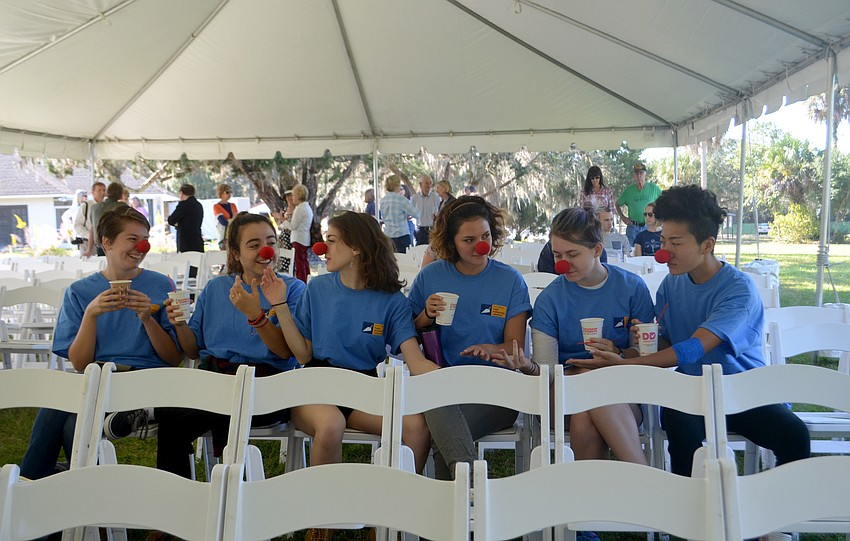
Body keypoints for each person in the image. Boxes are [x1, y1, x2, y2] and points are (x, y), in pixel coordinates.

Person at [571, 185, 810, 477]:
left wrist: (627, 364)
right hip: (691, 394)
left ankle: (780, 515)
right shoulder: (671, 285)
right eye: (662, 240)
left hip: (744, 394)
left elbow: (693, 348)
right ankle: (684, 514)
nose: (663, 251)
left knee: (795, 435)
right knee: (680, 429)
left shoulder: (739, 290)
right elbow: (669, 341)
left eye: (676, 243)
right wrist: (633, 345)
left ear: (706, 245)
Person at [269, 211, 435, 540]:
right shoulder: (316, 289)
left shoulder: (391, 301)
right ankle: (323, 522)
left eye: (331, 241)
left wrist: (460, 381)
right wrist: (279, 305)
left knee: (416, 426)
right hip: (316, 384)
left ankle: (387, 518)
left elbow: (414, 359)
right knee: (331, 425)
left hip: (362, 388)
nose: (322, 248)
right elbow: (302, 354)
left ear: (356, 247)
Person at [20, 206, 181, 480]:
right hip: (95, 379)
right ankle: (78, 500)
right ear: (107, 242)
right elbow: (80, 363)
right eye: (132, 239)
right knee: (61, 411)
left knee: (72, 420)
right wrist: (91, 314)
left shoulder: (160, 285)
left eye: (144, 238)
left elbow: (173, 359)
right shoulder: (80, 292)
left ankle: (31, 489)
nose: (141, 246)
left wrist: (147, 319)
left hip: (146, 382)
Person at [159, 212, 306, 479]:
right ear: (236, 253)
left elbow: (286, 352)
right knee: (172, 417)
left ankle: (233, 491)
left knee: (224, 405)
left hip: (268, 385)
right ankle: (177, 499)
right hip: (216, 379)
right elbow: (193, 350)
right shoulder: (216, 289)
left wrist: (256, 315)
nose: (266, 250)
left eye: (271, 241)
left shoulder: (292, 289)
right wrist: (179, 324)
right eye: (253, 244)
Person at [408, 195, 532, 481]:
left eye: (486, 236)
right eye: (469, 240)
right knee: (441, 411)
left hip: (498, 392)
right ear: (451, 242)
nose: (481, 246)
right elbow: (408, 335)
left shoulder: (510, 280)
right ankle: (471, 498)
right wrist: (426, 314)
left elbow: (516, 349)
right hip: (442, 383)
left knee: (443, 429)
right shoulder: (431, 276)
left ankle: (454, 508)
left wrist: (493, 349)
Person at [526, 206, 652, 465]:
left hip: (621, 392)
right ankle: (644, 478)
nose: (563, 263)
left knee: (587, 414)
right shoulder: (550, 299)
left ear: (597, 250)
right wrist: (581, 372)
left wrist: (617, 354)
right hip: (560, 396)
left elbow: (643, 357)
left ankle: (590, 500)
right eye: (557, 254)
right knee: (590, 383)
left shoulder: (631, 288)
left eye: (573, 254)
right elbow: (547, 371)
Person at [615, 162, 662, 245]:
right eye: (636, 173)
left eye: (641, 173)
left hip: (649, 226)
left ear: (645, 174)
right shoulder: (628, 191)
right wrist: (623, 218)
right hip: (633, 227)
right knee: (631, 252)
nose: (639, 176)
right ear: (634, 176)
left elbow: (664, 201)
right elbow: (617, 204)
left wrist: (659, 219)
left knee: (648, 251)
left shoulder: (654, 188)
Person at [279, 184, 313, 283]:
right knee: (303, 262)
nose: (292, 197)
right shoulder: (306, 207)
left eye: (293, 195)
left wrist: (283, 220)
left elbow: (292, 226)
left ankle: (301, 282)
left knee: (300, 264)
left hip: (298, 239)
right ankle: (307, 280)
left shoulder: (299, 208)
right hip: (304, 238)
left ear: (298, 195)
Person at [379, 174, 419, 253]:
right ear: (397, 185)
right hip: (402, 235)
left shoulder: (383, 201)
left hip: (388, 235)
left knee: (391, 260)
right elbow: (416, 214)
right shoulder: (401, 199)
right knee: (404, 262)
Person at [90, 182, 127, 257]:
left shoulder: (95, 208)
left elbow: (92, 229)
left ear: (107, 193)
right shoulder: (122, 207)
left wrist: (89, 250)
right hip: (116, 244)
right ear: (120, 194)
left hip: (100, 244)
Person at [167, 183, 205, 254]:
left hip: (185, 241)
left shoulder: (183, 205)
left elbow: (171, 220)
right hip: (197, 239)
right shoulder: (198, 205)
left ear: (181, 193)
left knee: (186, 263)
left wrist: (178, 224)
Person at [76, 181, 105, 257]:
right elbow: (78, 225)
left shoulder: (107, 207)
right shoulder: (86, 206)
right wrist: (90, 236)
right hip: (87, 243)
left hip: (104, 244)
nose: (102, 193)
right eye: (99, 190)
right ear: (93, 192)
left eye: (104, 190)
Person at [411, 174, 440, 246]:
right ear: (420, 184)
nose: (429, 185)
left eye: (430, 183)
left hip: (432, 230)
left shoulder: (436, 197)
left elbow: (440, 212)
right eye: (426, 183)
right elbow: (411, 214)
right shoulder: (414, 198)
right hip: (419, 230)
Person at [213, 183, 238, 250]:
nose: (229, 194)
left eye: (231, 192)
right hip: (223, 236)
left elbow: (237, 220)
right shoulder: (216, 207)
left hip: (234, 235)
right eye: (227, 192)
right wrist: (232, 220)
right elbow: (223, 222)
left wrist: (230, 220)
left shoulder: (233, 205)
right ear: (221, 193)